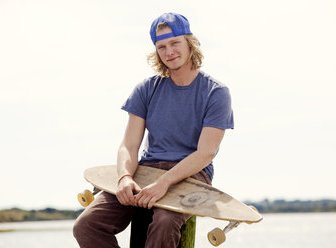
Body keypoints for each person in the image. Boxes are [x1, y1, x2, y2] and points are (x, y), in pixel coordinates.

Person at [73, 12, 234, 248]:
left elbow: (205, 153)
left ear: (190, 43)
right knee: (86, 226)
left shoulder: (216, 92)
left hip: (192, 175)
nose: (169, 52)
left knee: (165, 222)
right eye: (161, 47)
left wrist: (164, 183)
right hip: (146, 171)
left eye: (175, 43)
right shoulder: (146, 89)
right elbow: (128, 146)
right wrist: (125, 177)